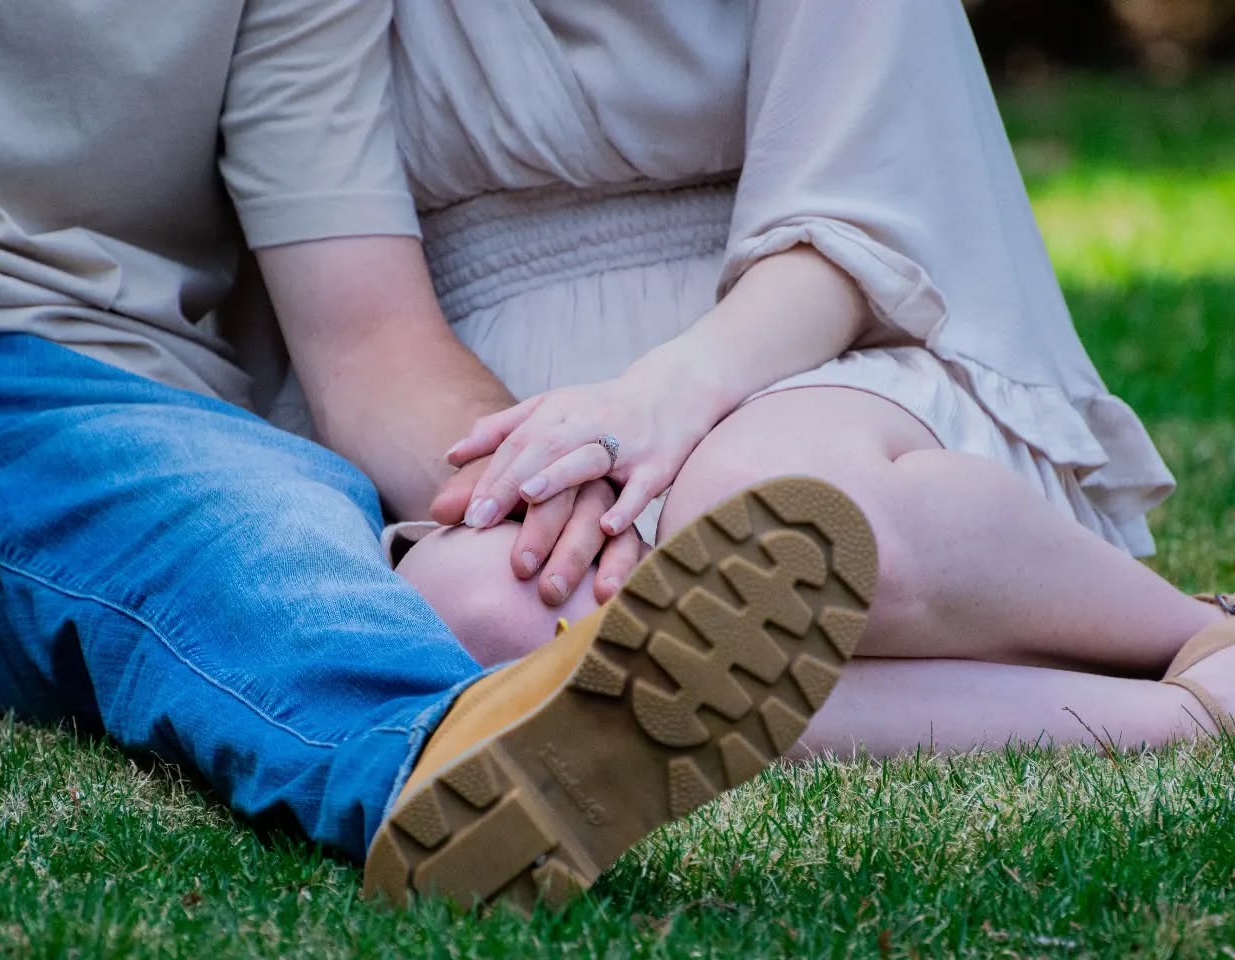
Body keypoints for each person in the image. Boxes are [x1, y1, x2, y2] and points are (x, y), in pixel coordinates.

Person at [0, 1, 868, 913]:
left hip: (88, 400)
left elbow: (368, 342)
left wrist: (543, 484)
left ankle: (449, 756)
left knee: (265, 524)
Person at [300, 0, 1235, 749]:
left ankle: (1177, 631)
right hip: (503, 387)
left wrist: (661, 396)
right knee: (484, 615)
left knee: (772, 513)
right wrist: (534, 480)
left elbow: (854, 221)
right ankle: (1171, 718)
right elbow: (363, 339)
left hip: (802, 340)